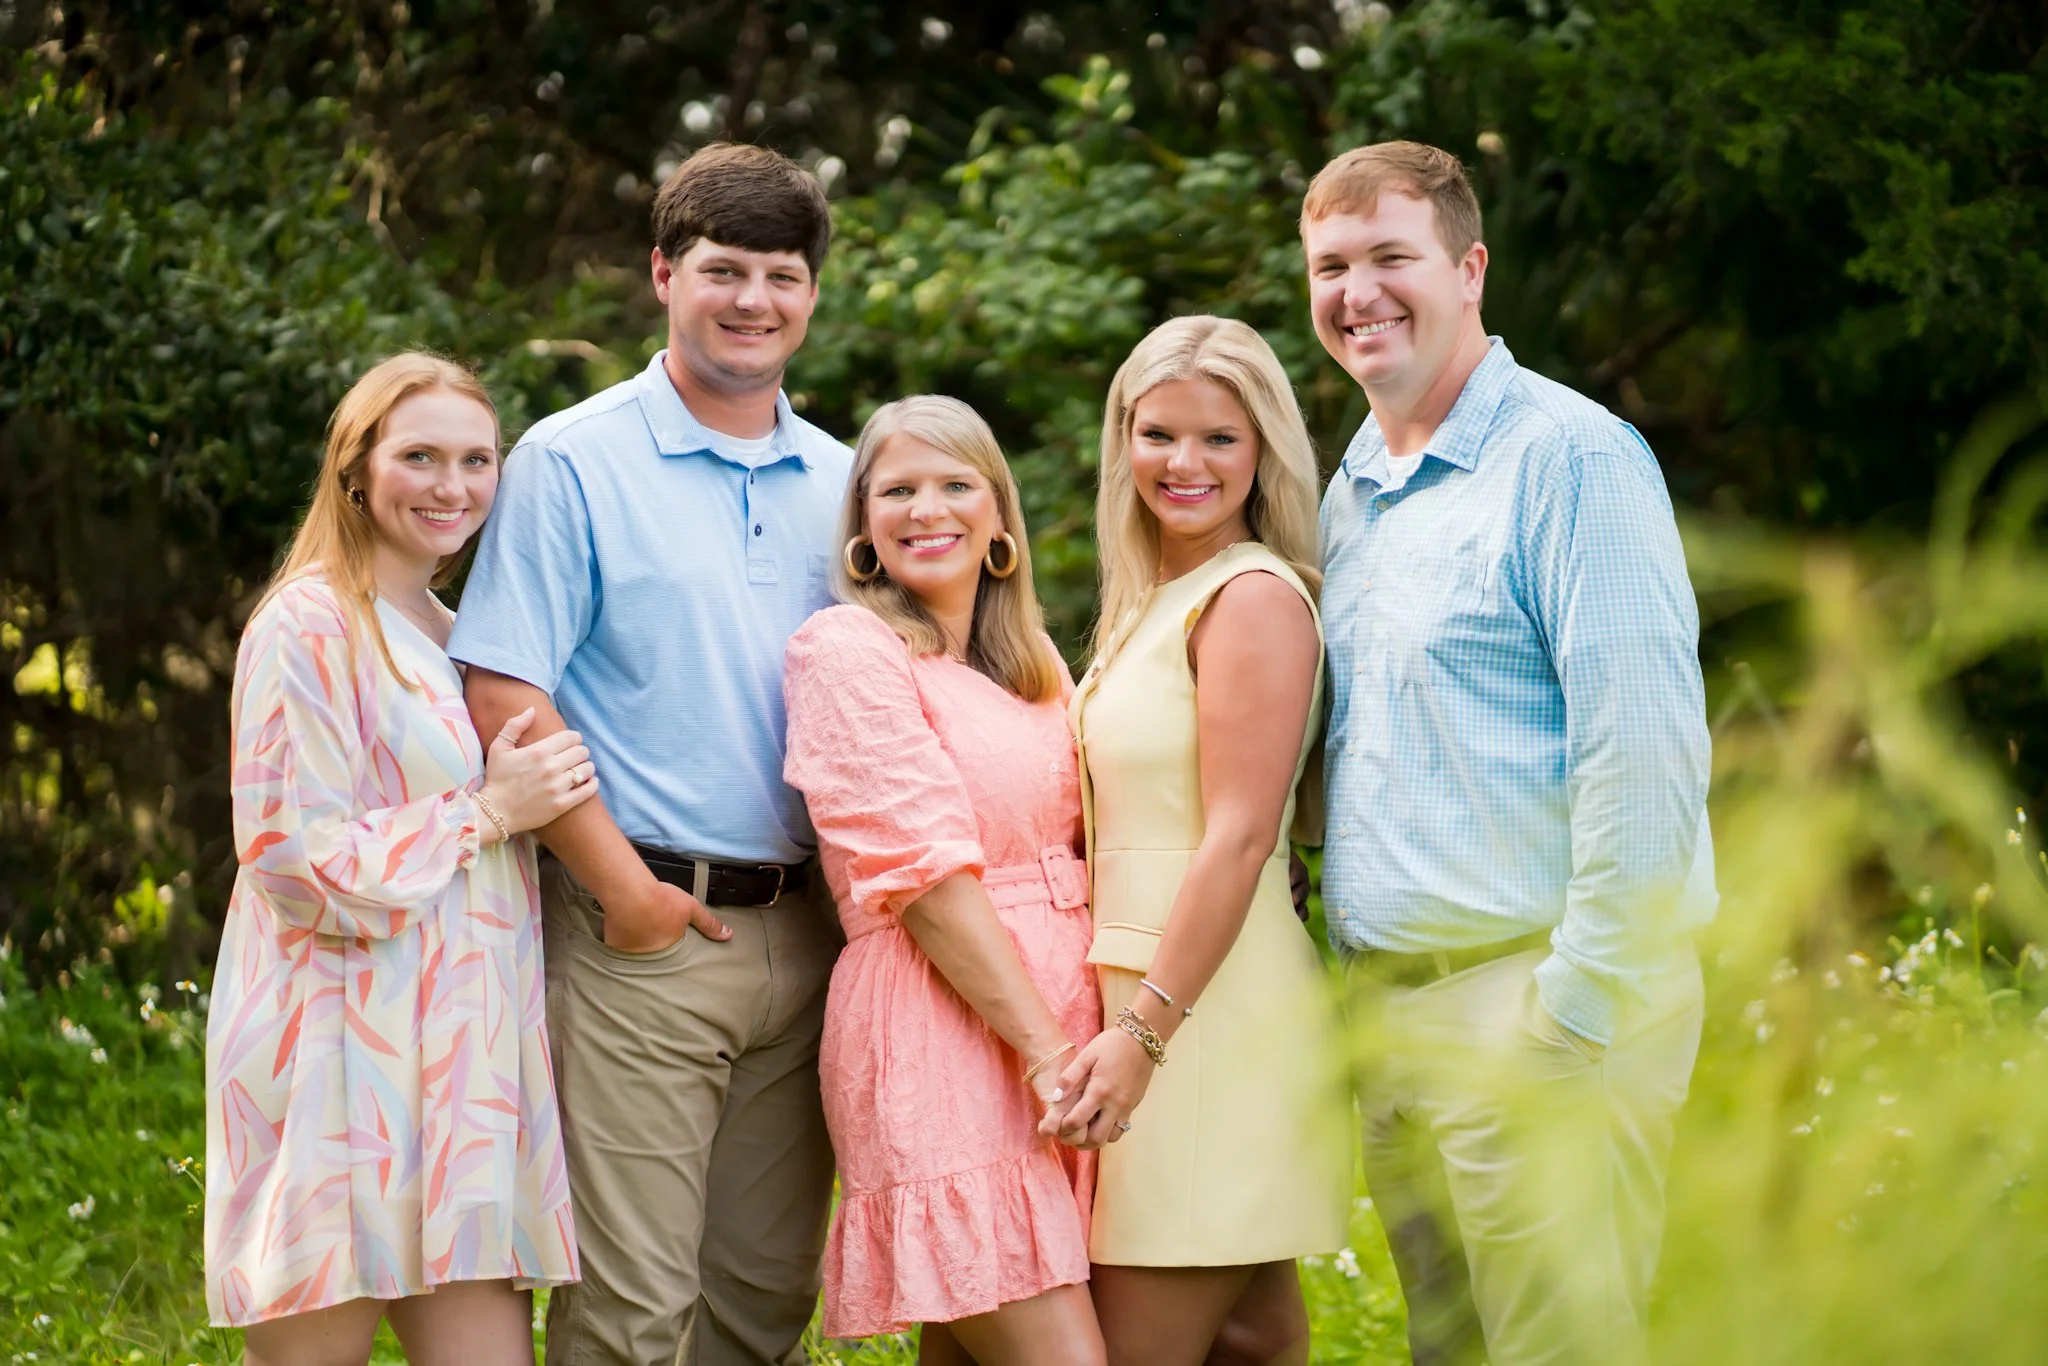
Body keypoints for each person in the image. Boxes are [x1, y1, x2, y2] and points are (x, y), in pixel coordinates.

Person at [1305, 140, 1717, 1366]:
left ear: (1469, 267)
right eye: (1330, 265)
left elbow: (1640, 750)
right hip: (1395, 1011)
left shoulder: (1569, 460)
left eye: (1391, 256)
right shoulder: (1353, 489)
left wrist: (1572, 1011)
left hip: (1537, 999)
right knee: (1451, 1350)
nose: (1357, 292)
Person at [447, 143, 852, 1366]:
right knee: (631, 1313)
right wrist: (625, 891)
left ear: (810, 296)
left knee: (761, 1297)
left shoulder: (847, 481)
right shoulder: (571, 459)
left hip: (815, 930)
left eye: (780, 275)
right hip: (645, 927)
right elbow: (504, 682)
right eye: (722, 270)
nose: (752, 301)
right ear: (664, 275)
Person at [205, 352, 593, 1365]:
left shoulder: (457, 634)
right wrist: (489, 810)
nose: (451, 486)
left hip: (464, 1061)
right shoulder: (308, 621)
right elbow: (291, 856)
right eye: (419, 455)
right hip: (339, 1058)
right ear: (355, 469)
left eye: (475, 459)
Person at [1046, 315, 1353, 1366]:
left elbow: (1235, 837)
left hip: (1198, 1012)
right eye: (1157, 433)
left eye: (1218, 438)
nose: (1182, 464)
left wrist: (1140, 1037)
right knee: (1247, 1338)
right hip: (1153, 993)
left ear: (1263, 449)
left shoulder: (1252, 597)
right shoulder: (1149, 601)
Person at [782, 395, 1107, 1365]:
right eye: (898, 491)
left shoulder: (1034, 663)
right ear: (864, 532)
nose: (928, 509)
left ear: (999, 518)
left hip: (1059, 1017)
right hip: (942, 1030)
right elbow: (923, 880)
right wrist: (1044, 1051)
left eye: (955, 484)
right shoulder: (845, 651)